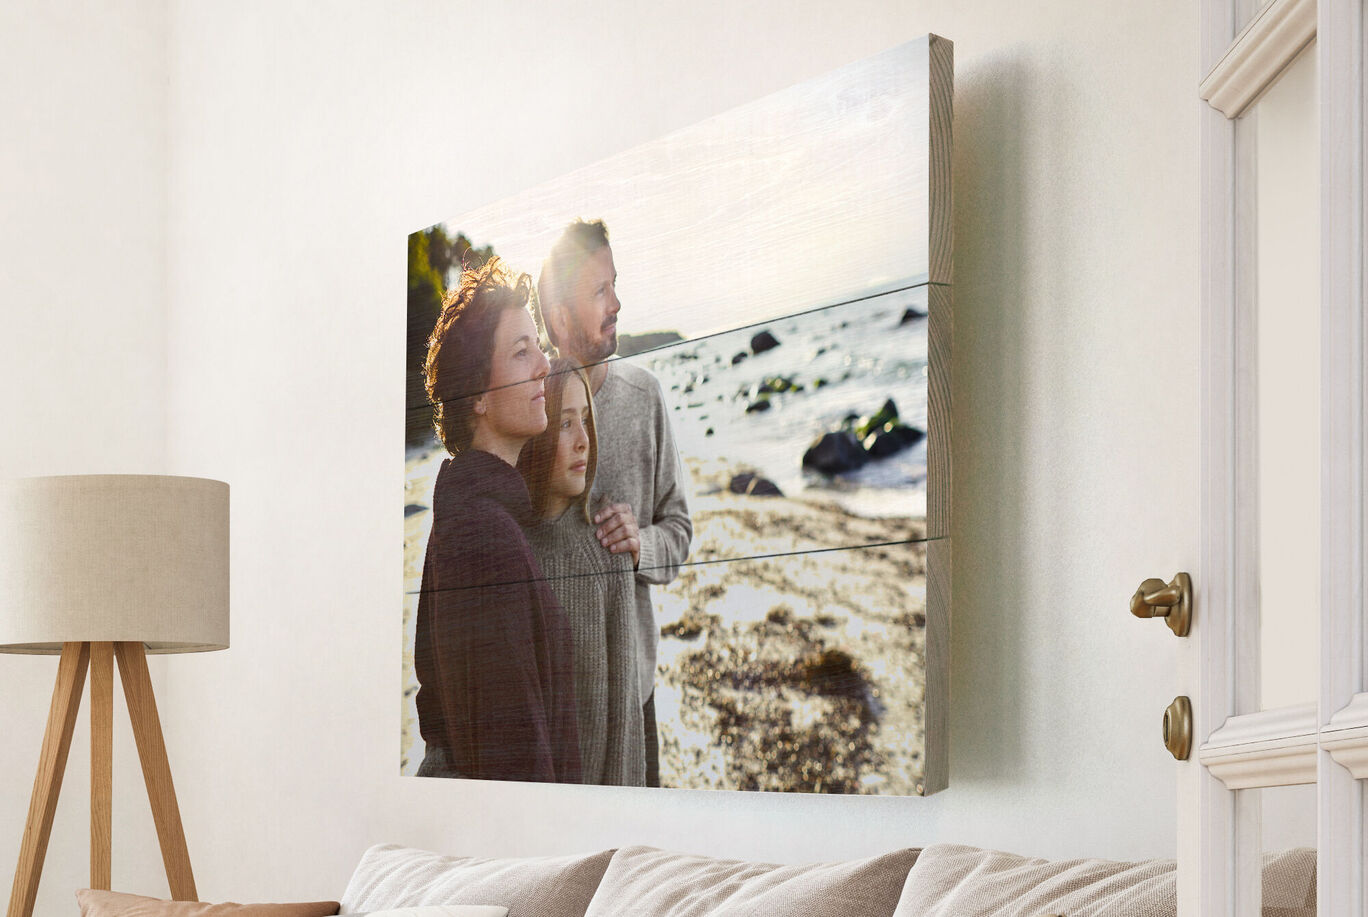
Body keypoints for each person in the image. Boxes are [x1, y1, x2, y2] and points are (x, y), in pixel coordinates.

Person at [536, 219, 692, 787]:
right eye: (599, 291)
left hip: (637, 694)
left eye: (615, 284)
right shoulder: (531, 414)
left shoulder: (644, 396)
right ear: (558, 318)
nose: (617, 303)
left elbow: (679, 532)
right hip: (558, 704)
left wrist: (638, 546)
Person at [413, 256, 581, 784]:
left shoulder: (474, 513)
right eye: (520, 352)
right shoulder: (483, 537)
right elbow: (513, 760)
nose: (543, 365)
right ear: (478, 397)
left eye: (538, 346)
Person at [517, 358, 646, 786]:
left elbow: (625, 722)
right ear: (536, 432)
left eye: (586, 420)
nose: (583, 441)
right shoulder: (509, 548)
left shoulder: (606, 547)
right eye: (566, 423)